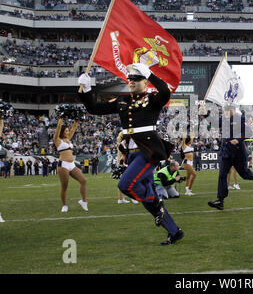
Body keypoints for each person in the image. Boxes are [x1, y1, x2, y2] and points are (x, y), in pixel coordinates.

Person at [78, 63, 183, 246]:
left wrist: (150, 74)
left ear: (145, 82)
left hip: (148, 151)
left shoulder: (153, 98)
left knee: (126, 185)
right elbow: (94, 108)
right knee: (146, 200)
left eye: (136, 79)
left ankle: (157, 202)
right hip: (131, 153)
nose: (132, 82)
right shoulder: (122, 100)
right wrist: (86, 90)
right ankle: (174, 231)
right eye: (130, 79)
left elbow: (166, 93)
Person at [207, 104, 253, 211]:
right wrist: (205, 114)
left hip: (238, 152)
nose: (226, 113)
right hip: (226, 151)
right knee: (222, 175)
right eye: (225, 111)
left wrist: (238, 139)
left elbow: (249, 132)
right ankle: (220, 200)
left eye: (228, 111)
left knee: (244, 174)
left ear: (233, 110)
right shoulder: (223, 119)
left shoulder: (240, 118)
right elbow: (214, 123)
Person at [53, 118, 88, 212]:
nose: (68, 132)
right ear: (62, 131)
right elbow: (58, 127)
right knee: (64, 186)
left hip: (72, 164)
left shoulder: (68, 139)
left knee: (83, 181)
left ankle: (83, 201)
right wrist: (61, 118)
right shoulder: (57, 140)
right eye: (66, 131)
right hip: (63, 164)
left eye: (68, 131)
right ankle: (64, 205)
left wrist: (76, 121)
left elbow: (74, 129)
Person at [115, 131, 138, 204]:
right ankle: (132, 197)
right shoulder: (125, 140)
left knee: (122, 179)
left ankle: (120, 198)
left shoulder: (121, 140)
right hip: (124, 160)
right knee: (131, 179)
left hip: (121, 160)